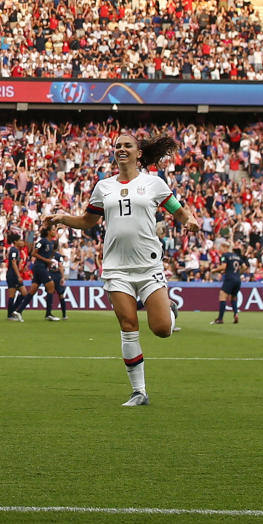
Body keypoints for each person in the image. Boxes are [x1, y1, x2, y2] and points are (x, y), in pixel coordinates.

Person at [45, 133, 199, 407]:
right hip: (117, 268)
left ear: (139, 153)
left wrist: (190, 220)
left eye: (127, 145)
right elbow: (88, 221)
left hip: (148, 265)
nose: (121, 149)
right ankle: (139, 391)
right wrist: (62, 218)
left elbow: (179, 211)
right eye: (117, 146)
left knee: (162, 330)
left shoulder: (154, 184)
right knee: (129, 327)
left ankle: (170, 312)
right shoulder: (104, 187)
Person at [11, 226, 61, 321]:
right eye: (53, 230)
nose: (55, 232)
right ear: (48, 232)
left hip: (42, 267)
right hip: (39, 266)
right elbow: (34, 253)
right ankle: (48, 314)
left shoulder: (51, 243)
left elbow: (51, 253)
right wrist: (46, 260)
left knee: (32, 290)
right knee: (51, 287)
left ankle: (18, 311)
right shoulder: (42, 241)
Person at [211, 240, 247, 324]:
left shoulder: (225, 255)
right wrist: (238, 273)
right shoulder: (236, 256)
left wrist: (214, 270)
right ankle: (236, 314)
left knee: (222, 296)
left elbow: (223, 266)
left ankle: (220, 319)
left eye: (221, 248)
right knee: (233, 297)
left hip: (230, 278)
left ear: (225, 247)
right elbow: (245, 267)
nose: (220, 249)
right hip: (237, 279)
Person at [5, 233, 25, 321]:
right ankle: (10, 315)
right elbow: (13, 262)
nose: (22, 242)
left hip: (13, 274)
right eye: (20, 240)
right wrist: (18, 275)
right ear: (15, 242)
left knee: (24, 293)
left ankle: (13, 311)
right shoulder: (14, 250)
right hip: (12, 275)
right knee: (12, 295)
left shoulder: (16, 250)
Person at [46, 250, 68, 320]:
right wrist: (63, 277)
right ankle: (64, 315)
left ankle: (48, 313)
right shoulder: (59, 256)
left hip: (49, 275)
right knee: (61, 295)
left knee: (50, 293)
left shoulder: (47, 254)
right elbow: (61, 266)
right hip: (57, 276)